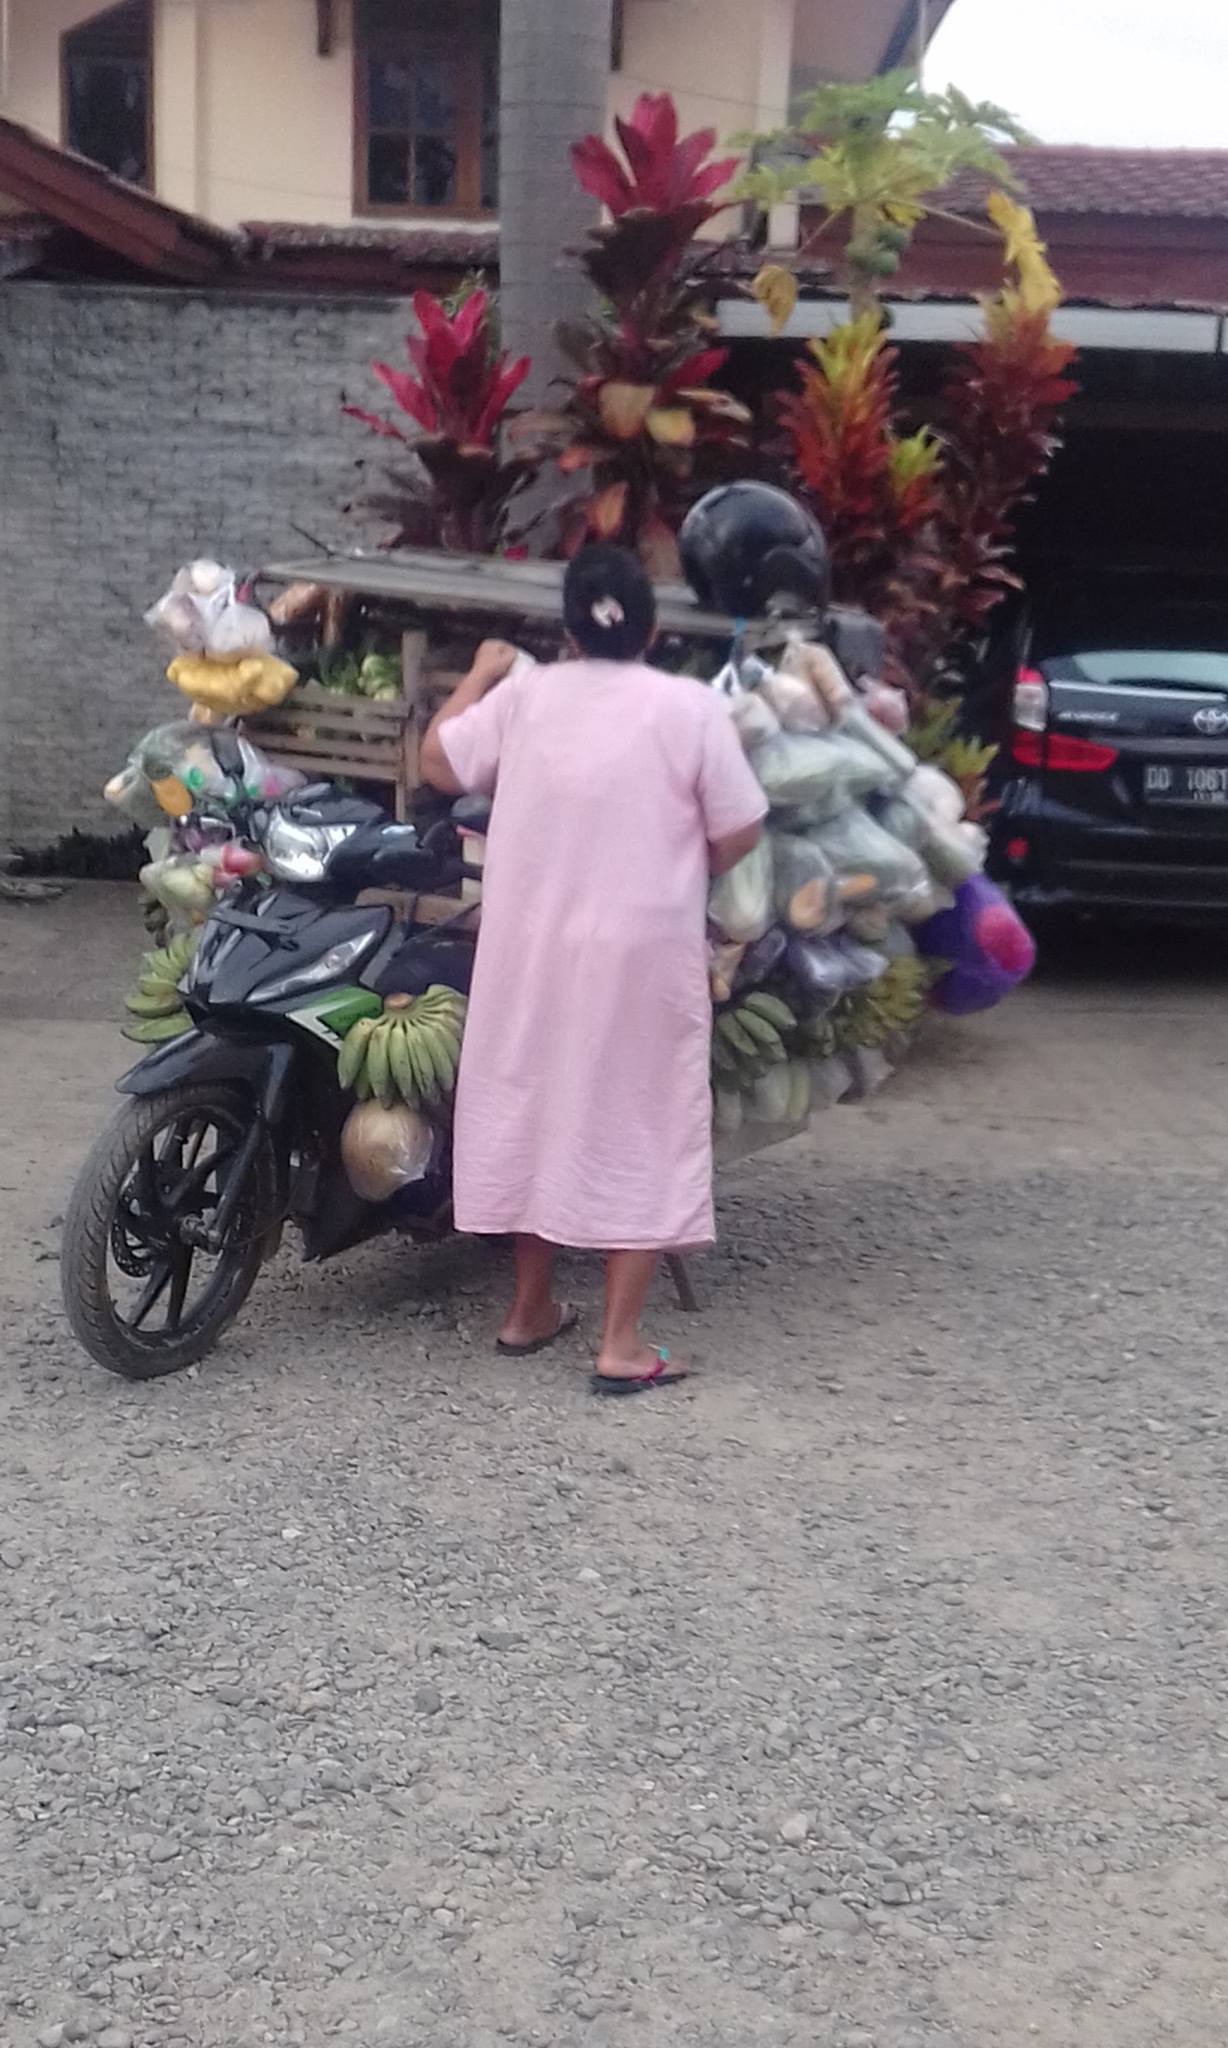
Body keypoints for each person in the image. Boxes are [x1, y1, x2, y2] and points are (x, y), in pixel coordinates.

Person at [421, 544, 766, 1396]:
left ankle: (528, 1309)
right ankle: (618, 1344)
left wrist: (481, 671)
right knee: (639, 1115)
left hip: (530, 948)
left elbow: (437, 763)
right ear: (649, 629)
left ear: (569, 632)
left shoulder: (526, 696)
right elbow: (738, 829)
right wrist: (685, 864)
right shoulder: (688, 707)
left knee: (536, 1102)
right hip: (642, 952)